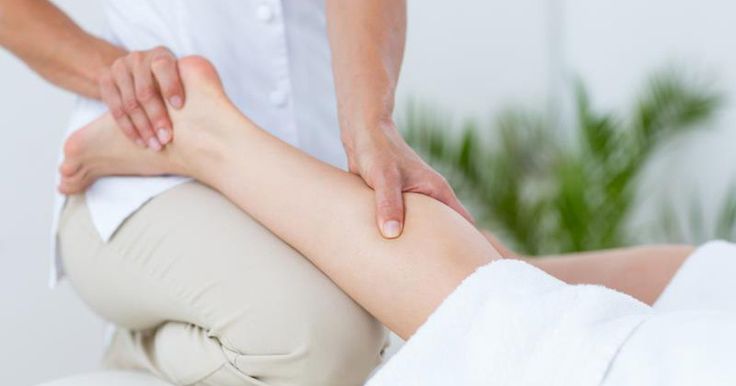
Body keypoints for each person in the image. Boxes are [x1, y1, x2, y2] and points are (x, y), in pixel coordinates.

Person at [61, 56, 736, 385]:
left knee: (661, 314)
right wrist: (132, 91)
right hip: (135, 186)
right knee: (574, 342)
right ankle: (207, 136)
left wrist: (369, 120)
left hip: (300, 179)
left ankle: (446, 277)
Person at [0, 1, 471, 385]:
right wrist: (120, 81)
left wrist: (371, 123)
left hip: (312, 159)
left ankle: (143, 344)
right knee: (324, 341)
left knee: (463, 283)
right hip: (143, 161)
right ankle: (197, 135)